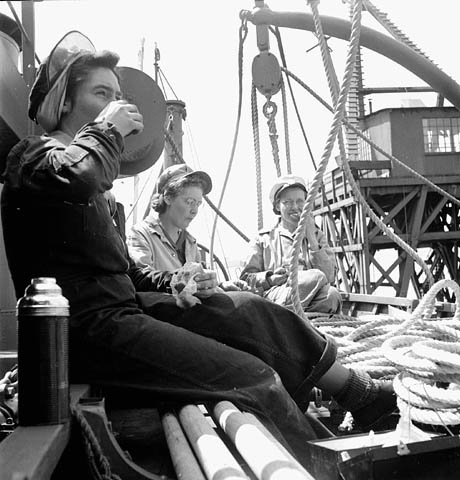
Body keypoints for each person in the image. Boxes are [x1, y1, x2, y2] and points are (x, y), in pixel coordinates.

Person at [0, 33, 395, 469]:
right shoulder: (34, 156)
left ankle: (361, 394)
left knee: (246, 309)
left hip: (124, 311)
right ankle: (331, 469)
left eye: (117, 94)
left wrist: (177, 282)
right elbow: (76, 176)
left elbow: (125, 273)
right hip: (87, 332)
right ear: (65, 102)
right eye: (100, 93)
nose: (115, 103)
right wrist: (109, 128)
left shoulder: (91, 177)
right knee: (252, 378)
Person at [127, 163, 247, 293]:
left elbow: (199, 283)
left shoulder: (190, 242)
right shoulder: (140, 234)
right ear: (168, 198)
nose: (194, 211)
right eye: (189, 202)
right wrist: (179, 281)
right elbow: (140, 278)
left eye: (198, 204)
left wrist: (220, 286)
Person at [240, 174, 342, 313]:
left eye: (300, 201)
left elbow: (329, 276)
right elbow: (246, 280)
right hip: (276, 296)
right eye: (287, 202)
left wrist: (311, 239)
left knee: (332, 295)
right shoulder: (263, 239)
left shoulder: (317, 236)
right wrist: (270, 279)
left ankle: (297, 322)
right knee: (315, 276)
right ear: (277, 206)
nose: (295, 207)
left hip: (307, 298)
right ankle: (282, 315)